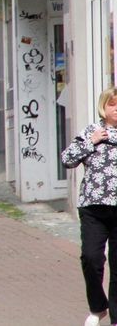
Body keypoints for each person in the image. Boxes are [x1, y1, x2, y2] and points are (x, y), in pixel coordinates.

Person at [63, 88, 117, 326]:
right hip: (93, 208)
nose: (116, 110)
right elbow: (67, 159)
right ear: (103, 108)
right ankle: (98, 307)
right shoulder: (91, 132)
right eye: (112, 105)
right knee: (91, 258)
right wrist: (91, 142)